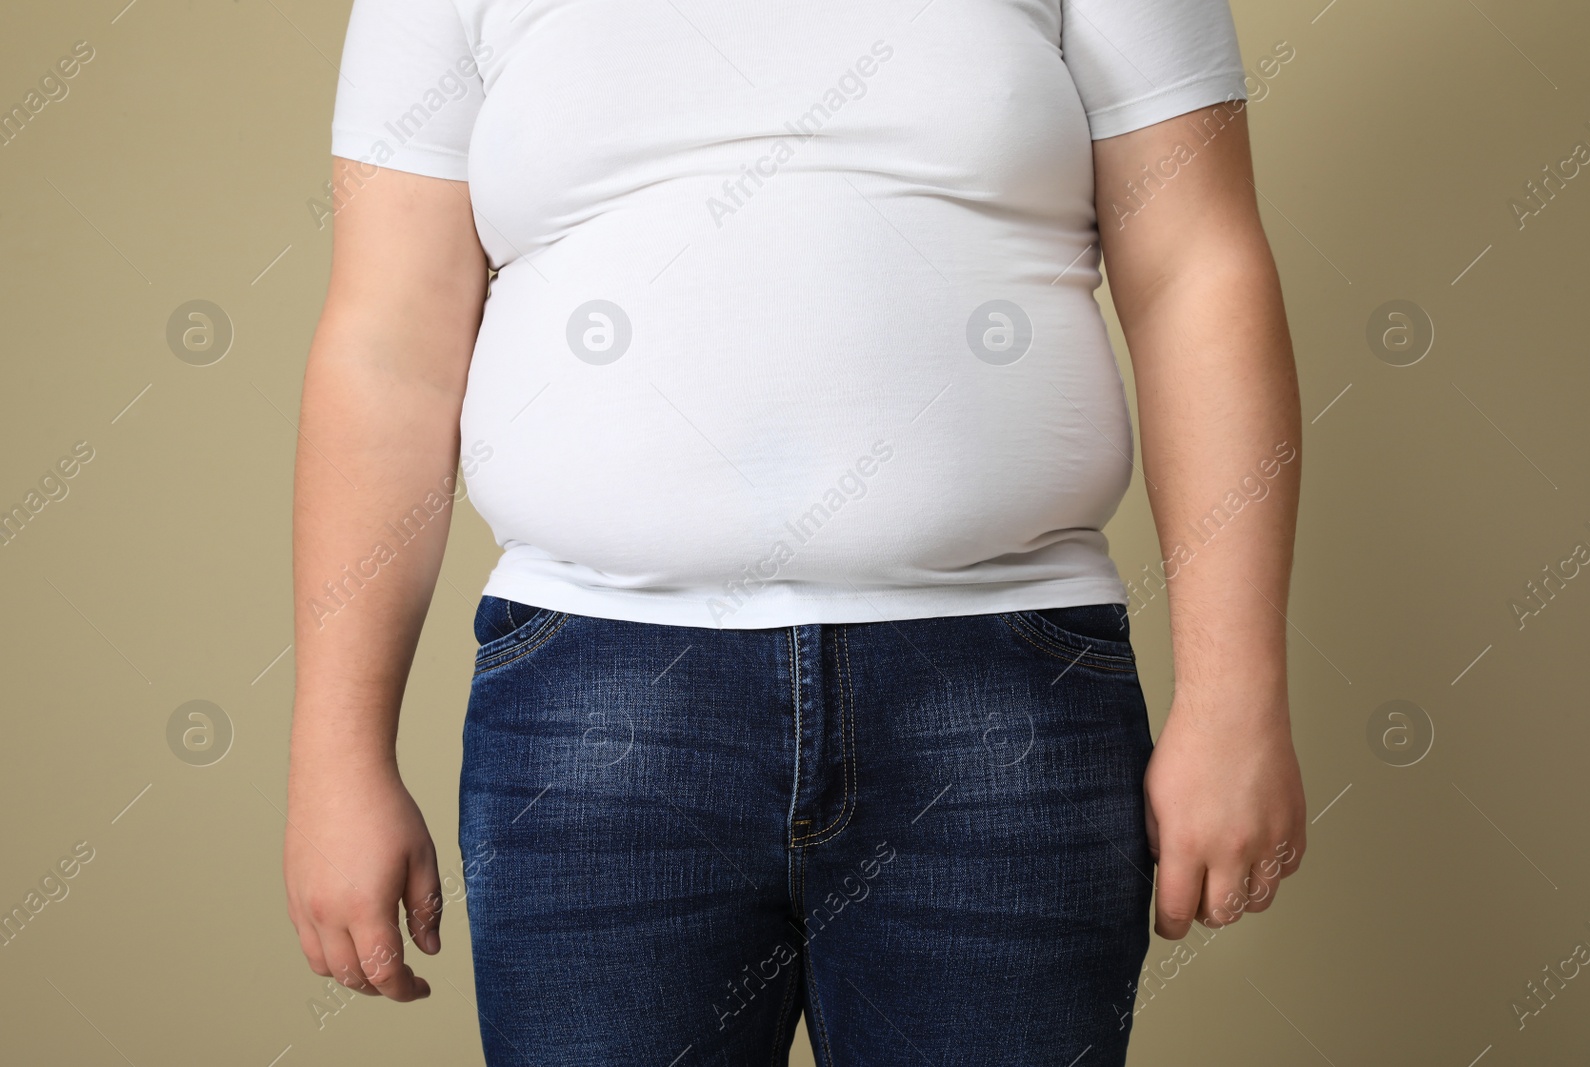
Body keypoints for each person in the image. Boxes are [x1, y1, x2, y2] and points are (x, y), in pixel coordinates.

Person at [282, 0, 1306, 1063]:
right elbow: (387, 343)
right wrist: (335, 757)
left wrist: (1235, 702)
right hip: (597, 714)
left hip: (1004, 702)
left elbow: (1198, 271)